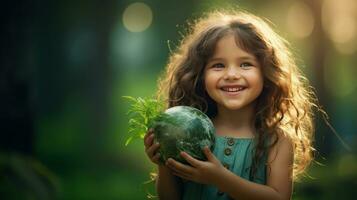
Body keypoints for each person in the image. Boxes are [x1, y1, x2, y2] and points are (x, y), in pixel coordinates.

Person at [144, 9, 317, 200]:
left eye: (245, 64)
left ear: (266, 73)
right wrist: (164, 162)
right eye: (218, 65)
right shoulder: (189, 131)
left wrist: (220, 178)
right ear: (201, 76)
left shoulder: (277, 140)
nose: (231, 75)